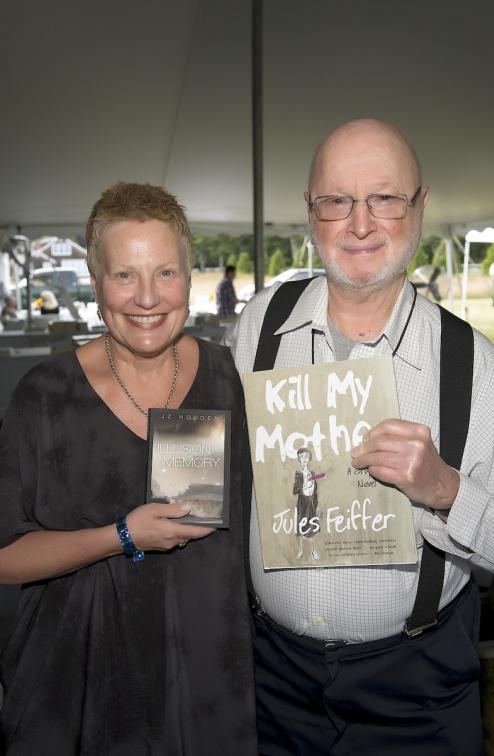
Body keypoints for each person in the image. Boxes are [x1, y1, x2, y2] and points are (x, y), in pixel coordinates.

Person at [228, 118, 494, 755]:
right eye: (336, 201)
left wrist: (445, 489)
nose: (359, 224)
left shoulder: (474, 365)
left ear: (420, 205)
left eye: (384, 198)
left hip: (418, 693)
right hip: (272, 679)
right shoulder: (261, 324)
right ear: (309, 210)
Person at [0, 182, 256, 755]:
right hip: (78, 695)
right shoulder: (44, 397)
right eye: (124, 275)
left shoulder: (228, 379)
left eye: (166, 273)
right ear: (96, 285)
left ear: (190, 280)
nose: (147, 298)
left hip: (209, 693)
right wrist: (120, 536)